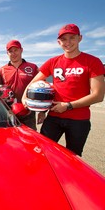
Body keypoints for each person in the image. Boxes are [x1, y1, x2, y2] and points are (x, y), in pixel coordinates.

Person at [22, 23, 105, 156]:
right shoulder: (53, 62)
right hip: (54, 117)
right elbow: (33, 83)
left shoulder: (93, 61)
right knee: (42, 153)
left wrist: (68, 106)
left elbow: (98, 95)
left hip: (79, 119)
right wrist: (25, 98)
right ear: (58, 42)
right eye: (64, 39)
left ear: (80, 38)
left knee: (73, 158)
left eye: (72, 37)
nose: (68, 42)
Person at [0, 40, 39, 130]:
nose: (13, 53)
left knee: (29, 139)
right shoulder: (2, 70)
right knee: (8, 139)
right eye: (10, 51)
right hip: (8, 112)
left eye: (16, 50)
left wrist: (42, 112)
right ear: (7, 53)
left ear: (21, 50)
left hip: (28, 112)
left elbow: (42, 87)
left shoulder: (33, 67)